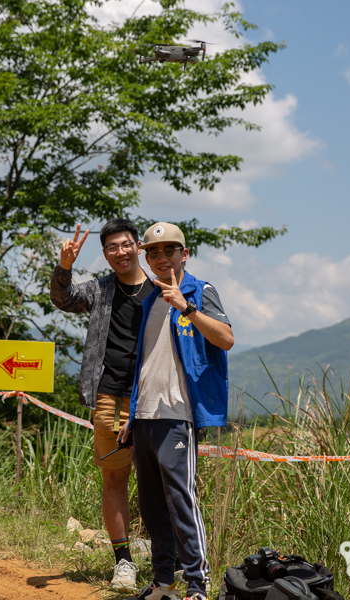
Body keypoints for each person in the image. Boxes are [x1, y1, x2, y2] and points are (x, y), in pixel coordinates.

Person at [117, 222, 233, 600]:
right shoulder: (149, 300)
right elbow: (146, 364)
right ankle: (164, 582)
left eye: (169, 250)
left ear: (184, 254)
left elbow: (226, 339)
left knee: (181, 501)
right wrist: (131, 414)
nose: (161, 257)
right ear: (147, 260)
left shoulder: (200, 291)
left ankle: (197, 587)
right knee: (151, 506)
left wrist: (188, 308)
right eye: (153, 252)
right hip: (146, 416)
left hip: (178, 416)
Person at [50, 218, 153, 591]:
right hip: (109, 395)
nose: (120, 252)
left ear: (138, 246)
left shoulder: (161, 289)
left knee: (161, 480)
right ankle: (124, 563)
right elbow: (62, 299)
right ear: (106, 254)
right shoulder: (101, 290)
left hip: (154, 398)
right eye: (112, 247)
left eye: (126, 244)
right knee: (115, 477)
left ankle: (170, 561)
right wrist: (65, 265)